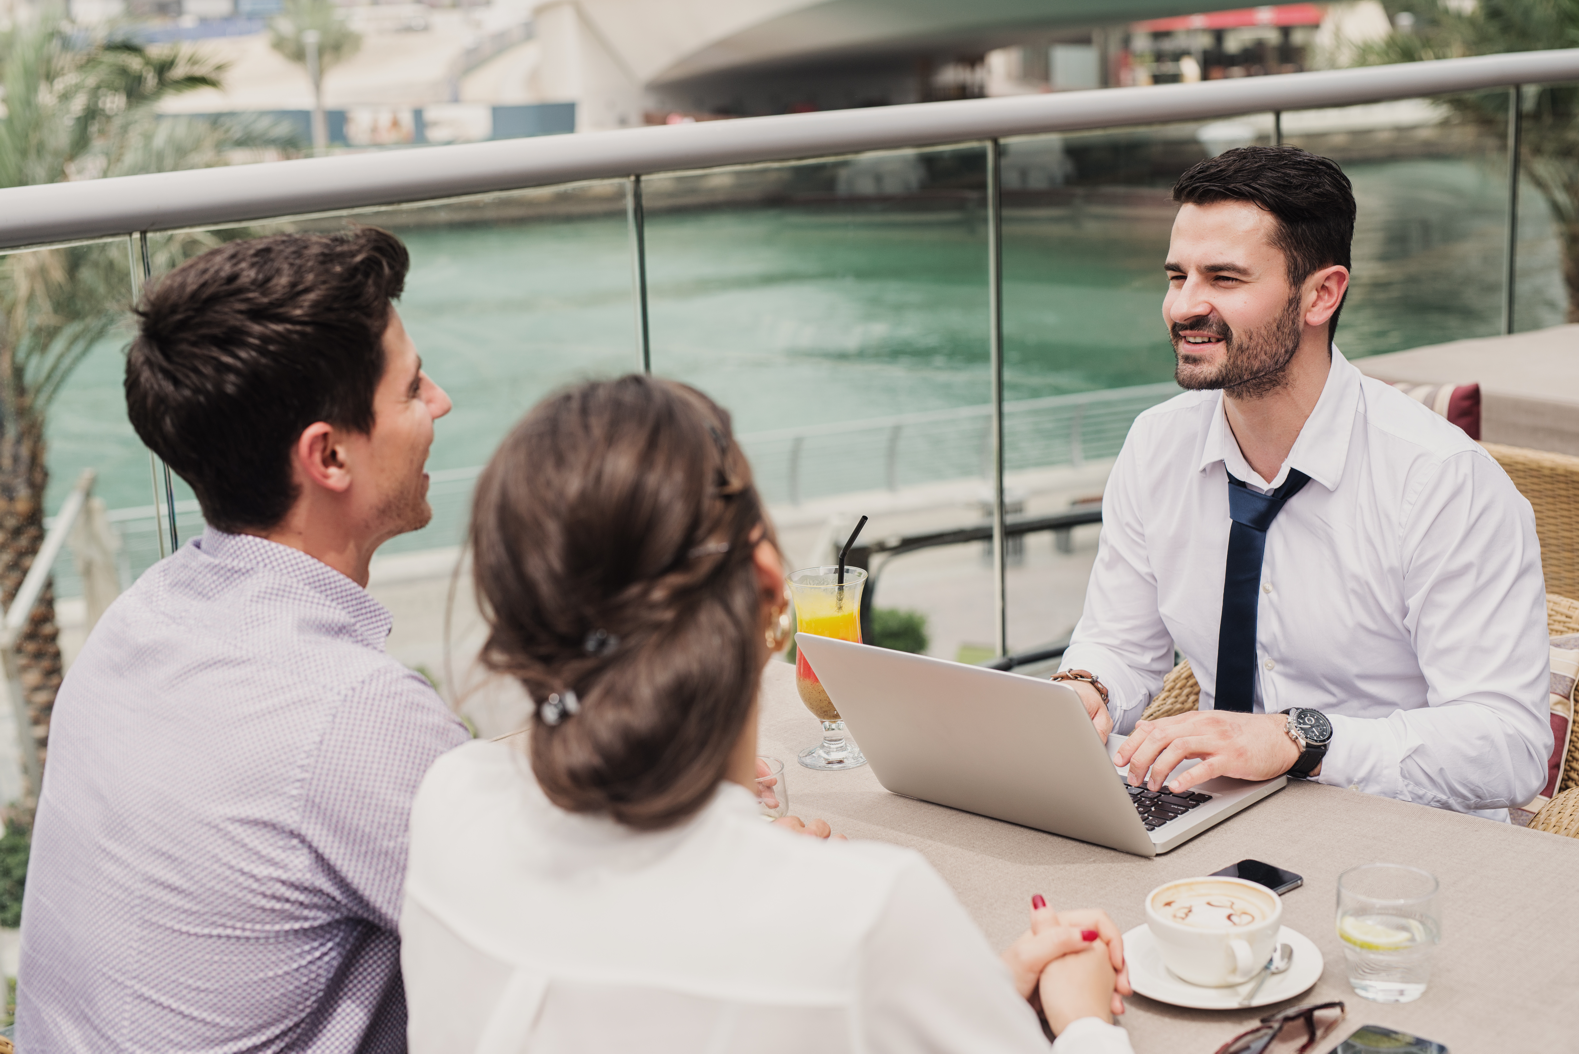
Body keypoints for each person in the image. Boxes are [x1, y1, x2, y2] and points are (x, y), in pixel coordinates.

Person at [400, 375, 1137, 1053]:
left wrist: (957, 989)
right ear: (764, 582)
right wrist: (1081, 1020)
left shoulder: (449, 801)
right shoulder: (863, 915)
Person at [17, 229, 471, 1051]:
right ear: (327, 454)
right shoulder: (350, 713)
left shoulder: (142, 615)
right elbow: (564, 937)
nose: (439, 402)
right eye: (410, 389)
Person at [1055, 146, 1550, 819]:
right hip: (1204, 814)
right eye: (1177, 276)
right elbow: (1117, 642)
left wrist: (1301, 738)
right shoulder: (1155, 443)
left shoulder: (1442, 482)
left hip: (1399, 841)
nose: (1183, 306)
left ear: (1321, 294)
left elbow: (1507, 746)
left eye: (1223, 279)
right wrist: (1088, 688)